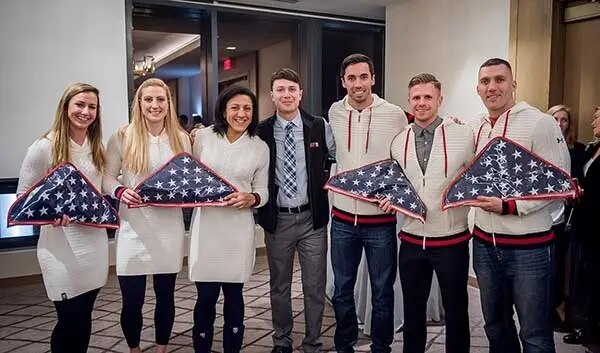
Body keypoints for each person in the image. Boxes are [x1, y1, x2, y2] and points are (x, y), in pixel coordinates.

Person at [468, 58, 570, 353]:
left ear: (513, 85)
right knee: (495, 326)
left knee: (535, 334)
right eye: (485, 82)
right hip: (485, 246)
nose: (492, 87)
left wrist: (510, 206)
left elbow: (559, 183)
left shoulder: (540, 122)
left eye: (499, 80)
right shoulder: (474, 126)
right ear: (478, 89)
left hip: (530, 249)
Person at [384, 73, 474, 353]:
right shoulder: (398, 142)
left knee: (456, 310)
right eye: (416, 98)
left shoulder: (464, 135)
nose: (421, 103)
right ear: (409, 101)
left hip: (451, 240)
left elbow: (477, 177)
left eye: (428, 97)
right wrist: (390, 199)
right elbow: (397, 185)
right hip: (411, 241)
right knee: (413, 311)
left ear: (439, 100)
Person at [16, 83, 108, 353]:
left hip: (94, 245)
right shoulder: (44, 147)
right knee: (70, 318)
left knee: (84, 318)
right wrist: (50, 217)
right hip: (60, 248)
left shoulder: (96, 146)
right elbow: (23, 196)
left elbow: (98, 191)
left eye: (92, 107)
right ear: (66, 107)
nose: (86, 111)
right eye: (80, 105)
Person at [103, 78, 191, 353]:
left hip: (169, 228)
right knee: (132, 300)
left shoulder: (181, 138)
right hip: (132, 229)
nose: (155, 105)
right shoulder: (122, 136)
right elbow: (106, 177)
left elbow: (188, 183)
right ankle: (134, 348)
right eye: (148, 100)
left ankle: (161, 348)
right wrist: (119, 191)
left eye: (160, 100)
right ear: (139, 104)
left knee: (166, 297)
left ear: (168, 104)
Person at [328, 53, 408, 353]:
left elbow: (404, 161)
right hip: (343, 220)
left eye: (363, 76)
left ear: (373, 79)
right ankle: (344, 346)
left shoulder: (394, 114)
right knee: (342, 290)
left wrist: (396, 196)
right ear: (343, 82)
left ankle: (381, 348)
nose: (357, 83)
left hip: (381, 223)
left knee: (382, 292)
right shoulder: (335, 112)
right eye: (351, 78)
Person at [255, 68, 335, 353]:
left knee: (314, 286)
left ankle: (313, 341)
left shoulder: (319, 126)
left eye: (292, 89)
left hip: (312, 220)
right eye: (281, 90)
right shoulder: (261, 130)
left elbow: (342, 155)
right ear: (272, 95)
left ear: (300, 94)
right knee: (280, 287)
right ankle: (282, 341)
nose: (286, 94)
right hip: (278, 220)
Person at [188, 85, 269, 353]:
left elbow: (263, 190)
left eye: (247, 108)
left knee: (234, 295)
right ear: (223, 109)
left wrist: (252, 199)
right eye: (235, 107)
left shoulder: (259, 147)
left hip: (238, 228)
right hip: (208, 226)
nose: (241, 113)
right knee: (206, 296)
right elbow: (188, 177)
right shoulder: (203, 137)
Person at [546, 105, 587, 331]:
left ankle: (561, 308)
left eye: (564, 120)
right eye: (555, 119)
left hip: (566, 216)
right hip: (542, 216)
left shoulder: (578, 150)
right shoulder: (539, 148)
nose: (559, 124)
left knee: (561, 267)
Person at [563, 106, 600, 346]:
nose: (593, 119)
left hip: (597, 224)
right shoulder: (592, 149)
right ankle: (588, 328)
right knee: (587, 279)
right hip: (586, 224)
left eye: (598, 116)